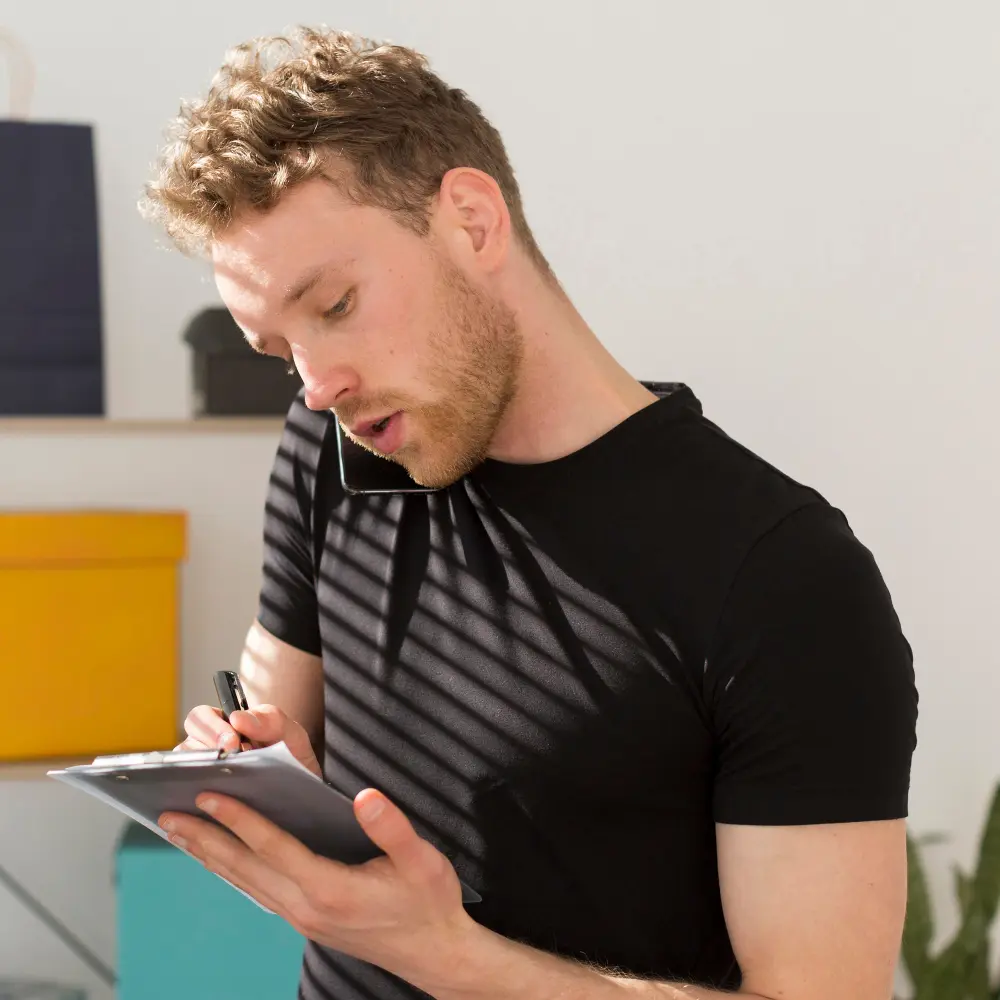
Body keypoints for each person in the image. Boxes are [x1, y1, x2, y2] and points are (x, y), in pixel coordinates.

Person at [141, 27, 918, 1000]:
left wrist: (441, 951)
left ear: (471, 220)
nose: (315, 384)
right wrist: (261, 779)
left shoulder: (782, 578)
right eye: (276, 349)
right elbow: (289, 737)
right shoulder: (331, 454)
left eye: (334, 304)